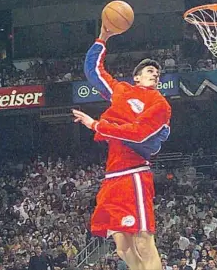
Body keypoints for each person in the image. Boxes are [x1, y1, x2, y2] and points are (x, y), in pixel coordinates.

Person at [72, 23, 172, 270]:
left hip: (134, 173)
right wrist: (103, 36)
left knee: (143, 241)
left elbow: (138, 135)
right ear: (136, 76)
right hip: (112, 176)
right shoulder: (120, 90)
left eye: (157, 73)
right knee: (122, 247)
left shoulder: (160, 105)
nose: (155, 74)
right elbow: (92, 70)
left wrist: (97, 125)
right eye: (150, 70)